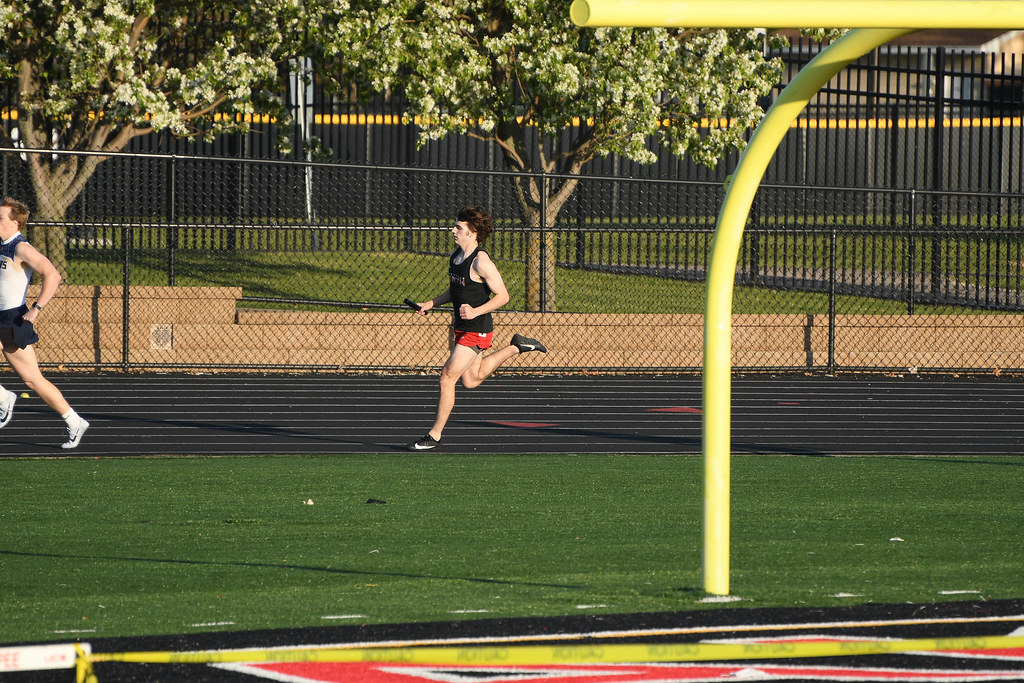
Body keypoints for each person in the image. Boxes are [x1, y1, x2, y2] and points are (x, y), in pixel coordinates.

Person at [408, 205, 547, 451]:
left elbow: (503, 296)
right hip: (461, 326)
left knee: (447, 377)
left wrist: (475, 311)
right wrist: (430, 303)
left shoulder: (481, 262)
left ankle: (434, 435)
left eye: (458, 227)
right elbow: (456, 290)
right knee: (471, 380)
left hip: (477, 327)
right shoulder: (456, 257)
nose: (453, 230)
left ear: (472, 232)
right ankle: (517, 347)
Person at [0, 197, 89, 449]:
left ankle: (74, 420)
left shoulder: (22, 248)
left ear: (15, 223)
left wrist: (37, 309)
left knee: (32, 380)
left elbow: (53, 274)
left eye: (0, 218)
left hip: (12, 319)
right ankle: (4, 397)